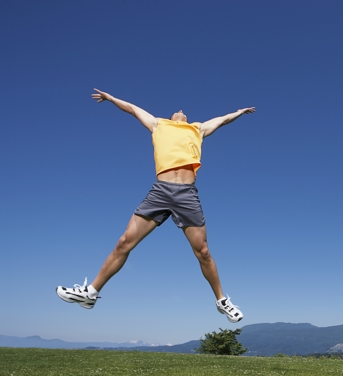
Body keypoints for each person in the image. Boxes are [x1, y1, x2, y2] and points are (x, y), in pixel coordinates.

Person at [56, 88, 255, 323]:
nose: (181, 110)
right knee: (124, 242)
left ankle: (222, 301)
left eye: (184, 111)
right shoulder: (158, 125)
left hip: (186, 194)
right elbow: (131, 108)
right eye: (177, 110)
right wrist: (110, 99)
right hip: (160, 192)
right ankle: (90, 293)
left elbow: (222, 120)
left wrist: (239, 112)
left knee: (203, 252)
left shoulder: (197, 129)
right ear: (171, 117)